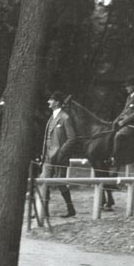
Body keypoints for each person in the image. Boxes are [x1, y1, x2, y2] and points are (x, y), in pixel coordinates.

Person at [38, 91, 76, 222]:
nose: (48, 102)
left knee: (60, 183)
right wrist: (43, 154)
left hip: (60, 157)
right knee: (45, 181)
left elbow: (72, 139)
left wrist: (61, 152)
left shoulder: (65, 118)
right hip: (48, 157)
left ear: (57, 102)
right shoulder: (51, 117)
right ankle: (44, 210)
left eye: (51, 100)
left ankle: (71, 209)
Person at [111, 76, 134, 165]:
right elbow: (124, 111)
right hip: (125, 124)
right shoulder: (129, 97)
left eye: (128, 86)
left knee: (118, 135)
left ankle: (115, 159)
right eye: (126, 86)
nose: (126, 88)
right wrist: (115, 120)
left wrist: (123, 121)